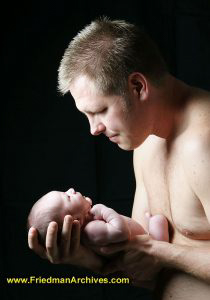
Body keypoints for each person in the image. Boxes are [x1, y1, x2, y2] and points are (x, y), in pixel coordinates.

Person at [28, 17, 210, 299]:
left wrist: (156, 250)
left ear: (137, 86)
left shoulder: (204, 143)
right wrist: (88, 258)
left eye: (99, 110)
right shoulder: (146, 142)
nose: (93, 129)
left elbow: (154, 252)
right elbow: (149, 273)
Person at [27, 188, 169, 252]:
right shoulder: (92, 230)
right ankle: (162, 245)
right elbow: (122, 231)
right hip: (151, 249)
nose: (71, 189)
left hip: (143, 242)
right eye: (68, 197)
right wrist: (104, 210)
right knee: (158, 220)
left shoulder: (90, 225)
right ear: (76, 220)